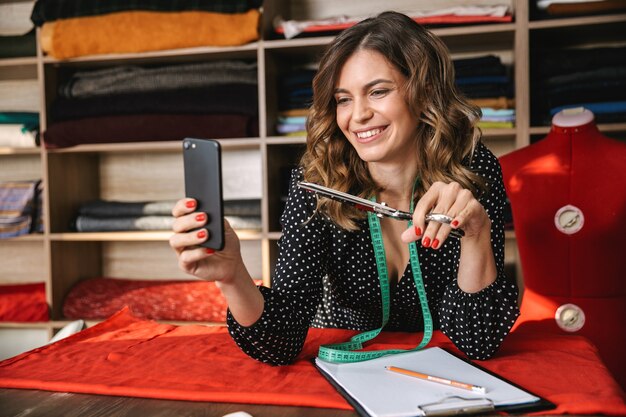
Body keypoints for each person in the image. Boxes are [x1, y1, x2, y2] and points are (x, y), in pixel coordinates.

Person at [170, 11, 519, 365]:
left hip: (436, 369)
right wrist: (232, 276)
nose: (358, 115)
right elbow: (280, 343)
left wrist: (476, 234)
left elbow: (480, 342)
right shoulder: (317, 183)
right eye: (343, 99)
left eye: (378, 91)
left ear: (424, 90)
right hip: (344, 368)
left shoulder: (472, 170)